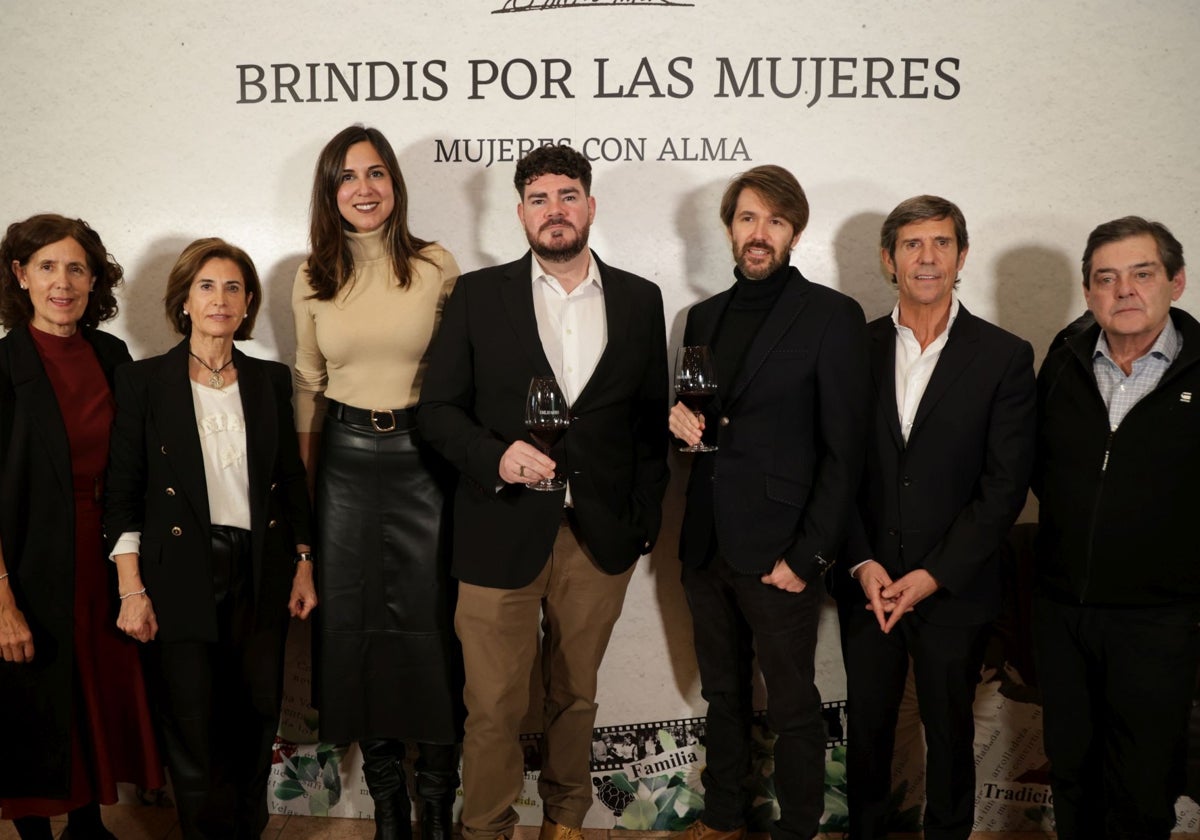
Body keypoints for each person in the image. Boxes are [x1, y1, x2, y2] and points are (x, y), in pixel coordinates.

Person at [417, 143, 669, 840]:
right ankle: (489, 828)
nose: (554, 211)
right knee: (493, 705)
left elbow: (651, 426)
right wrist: (497, 458)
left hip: (599, 540)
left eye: (567, 196)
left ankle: (565, 823)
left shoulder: (641, 301)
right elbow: (438, 412)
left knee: (575, 698)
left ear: (589, 205)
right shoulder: (476, 296)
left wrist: (642, 523)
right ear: (521, 213)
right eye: (539, 199)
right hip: (497, 529)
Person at [667, 165, 869, 840]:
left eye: (775, 222)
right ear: (729, 227)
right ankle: (724, 816)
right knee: (723, 694)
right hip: (706, 544)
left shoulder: (831, 316)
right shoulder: (701, 317)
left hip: (782, 548)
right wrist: (679, 422)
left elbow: (845, 452)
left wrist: (807, 554)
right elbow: (703, 421)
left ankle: (800, 826)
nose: (760, 233)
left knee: (792, 705)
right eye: (749, 218)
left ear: (795, 232)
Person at [835, 195, 1036, 839]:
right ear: (888, 259)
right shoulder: (849, 348)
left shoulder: (1004, 355)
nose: (928, 258)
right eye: (913, 245)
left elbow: (1004, 486)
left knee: (950, 734)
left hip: (954, 586)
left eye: (941, 243)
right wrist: (863, 561)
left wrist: (933, 575)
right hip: (867, 582)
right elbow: (833, 469)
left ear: (962, 255)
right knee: (867, 729)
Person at [105, 237, 317, 840]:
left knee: (253, 722)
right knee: (192, 726)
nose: (220, 299)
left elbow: (289, 480)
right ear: (184, 301)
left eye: (232, 288)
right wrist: (130, 588)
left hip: (261, 565)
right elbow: (124, 491)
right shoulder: (143, 382)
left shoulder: (271, 380)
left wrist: (304, 561)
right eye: (206, 286)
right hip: (179, 571)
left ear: (248, 302)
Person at [292, 123, 463, 840]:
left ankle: (437, 805)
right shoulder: (312, 275)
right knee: (355, 632)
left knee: (434, 633)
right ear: (330, 192)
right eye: (347, 177)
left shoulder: (436, 265)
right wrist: (308, 493)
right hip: (345, 465)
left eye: (375, 174)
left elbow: (461, 379)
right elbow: (308, 382)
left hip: (428, 461)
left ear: (395, 183)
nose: (363, 190)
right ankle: (391, 807)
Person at [1033, 216, 1199, 839]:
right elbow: (1040, 472)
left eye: (1142, 274)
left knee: (1143, 782)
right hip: (1062, 611)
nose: (1123, 290)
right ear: (1088, 293)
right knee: (1072, 771)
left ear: (1175, 283)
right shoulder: (1061, 363)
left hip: (1158, 618)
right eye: (1106, 278)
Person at [0, 214, 163, 840]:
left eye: (76, 269)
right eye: (46, 266)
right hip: (28, 559)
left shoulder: (110, 353)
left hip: (107, 552)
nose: (62, 283)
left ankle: (90, 822)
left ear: (94, 281)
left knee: (95, 689)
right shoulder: (4, 367)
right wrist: (2, 599)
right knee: (36, 700)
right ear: (21, 276)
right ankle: (37, 831)